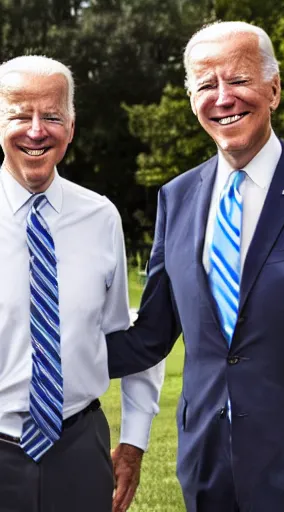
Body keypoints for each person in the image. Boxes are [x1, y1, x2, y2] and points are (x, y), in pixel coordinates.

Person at [107, 21, 284, 512]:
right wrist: (46, 349)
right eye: (206, 85)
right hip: (206, 468)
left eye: (238, 80)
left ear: (273, 89)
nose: (223, 97)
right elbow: (150, 337)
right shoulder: (178, 196)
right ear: (192, 99)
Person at [0, 55, 165, 512]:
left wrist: (132, 442)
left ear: (70, 126)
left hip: (78, 448)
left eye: (51, 115)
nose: (36, 130)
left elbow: (126, 338)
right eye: (19, 114)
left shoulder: (101, 217)